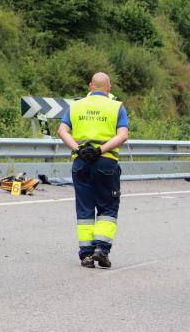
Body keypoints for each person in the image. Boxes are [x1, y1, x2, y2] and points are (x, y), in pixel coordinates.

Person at [57, 72, 129, 269]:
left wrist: (78, 149)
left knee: (84, 209)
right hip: (106, 162)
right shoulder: (116, 107)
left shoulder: (76, 106)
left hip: (80, 163)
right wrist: (99, 150)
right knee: (107, 208)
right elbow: (122, 135)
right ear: (109, 87)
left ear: (90, 86)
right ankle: (101, 250)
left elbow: (62, 130)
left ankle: (86, 255)